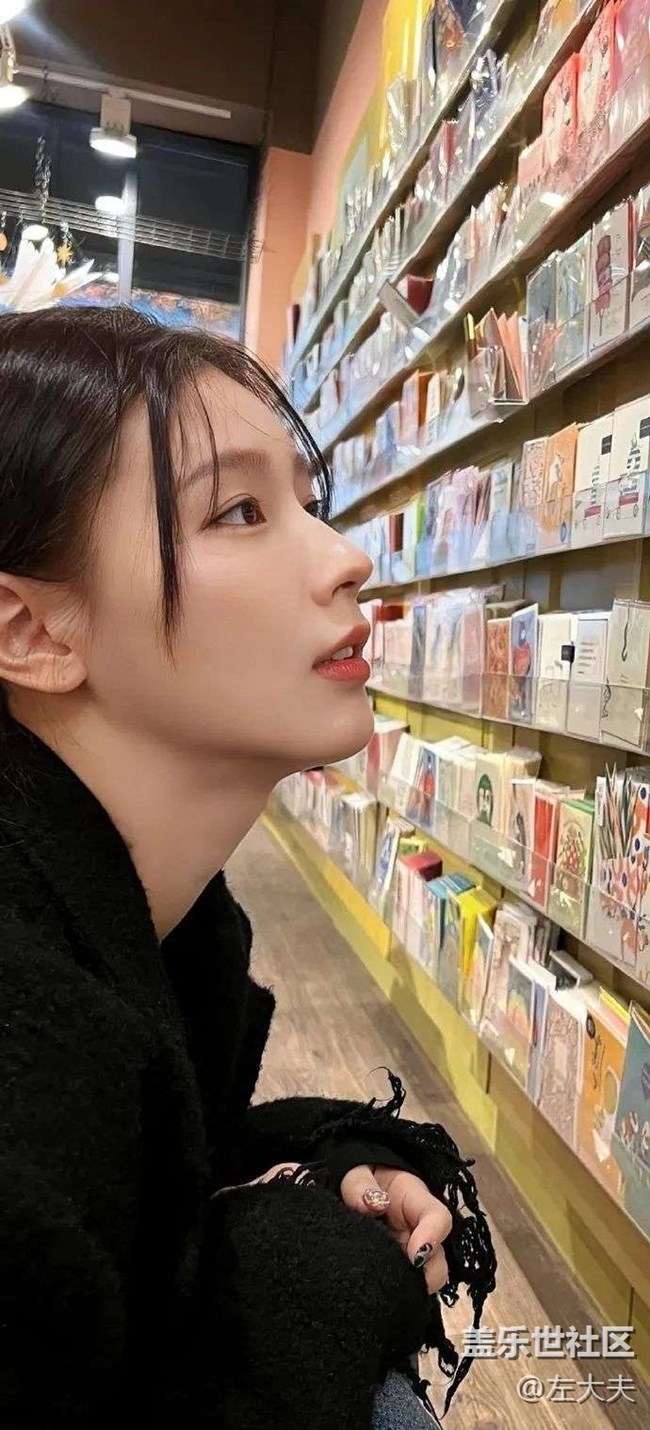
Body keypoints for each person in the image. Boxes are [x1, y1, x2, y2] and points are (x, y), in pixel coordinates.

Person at [0, 306, 496, 1429]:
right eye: (238, 511)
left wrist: (328, 1166)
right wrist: (307, 1267)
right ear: (32, 631)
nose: (347, 557)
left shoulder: (170, 925)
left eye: (306, 503)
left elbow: (158, 1170)